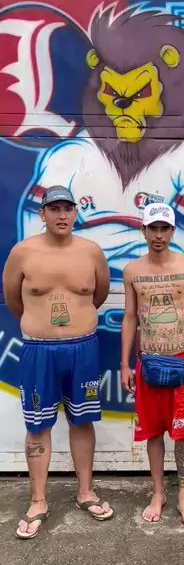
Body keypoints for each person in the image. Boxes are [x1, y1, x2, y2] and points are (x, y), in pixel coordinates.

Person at [2, 185, 113, 539]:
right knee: (38, 426)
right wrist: (42, 325)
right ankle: (37, 501)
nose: (62, 215)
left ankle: (85, 492)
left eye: (68, 208)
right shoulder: (23, 252)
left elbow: (98, 295)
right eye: (54, 209)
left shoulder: (91, 251)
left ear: (76, 212)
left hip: (83, 349)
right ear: (42, 213)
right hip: (39, 351)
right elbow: (13, 299)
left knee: (82, 420)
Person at [121, 201, 184, 529]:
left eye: (164, 228)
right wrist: (124, 364)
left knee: (182, 434)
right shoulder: (133, 270)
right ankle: (158, 493)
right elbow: (130, 317)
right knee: (153, 432)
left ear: (172, 231)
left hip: (180, 361)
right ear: (143, 231)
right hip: (148, 363)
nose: (158, 235)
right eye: (153, 228)